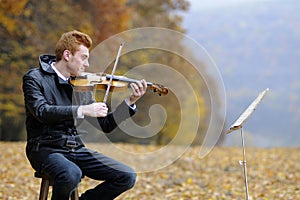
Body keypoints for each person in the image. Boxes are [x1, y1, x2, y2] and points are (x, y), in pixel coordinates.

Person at [22, 30, 147, 200]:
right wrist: (82, 110)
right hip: (45, 148)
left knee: (126, 175)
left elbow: (105, 125)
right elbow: (41, 111)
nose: (87, 64)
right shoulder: (35, 78)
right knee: (71, 173)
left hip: (76, 148)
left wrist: (130, 102)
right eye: (83, 57)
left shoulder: (82, 85)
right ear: (67, 55)